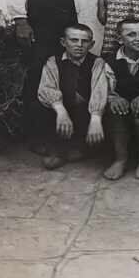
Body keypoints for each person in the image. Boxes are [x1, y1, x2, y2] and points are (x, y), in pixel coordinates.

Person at [7, 0, 79, 155]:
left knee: (65, 66)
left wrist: (74, 17)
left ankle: (65, 132)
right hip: (39, 7)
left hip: (64, 5)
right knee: (39, 69)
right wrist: (20, 20)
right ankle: (38, 134)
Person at [35, 24, 111, 170]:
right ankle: (56, 149)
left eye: (85, 41)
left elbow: (99, 92)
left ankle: (82, 147)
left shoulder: (97, 63)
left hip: (85, 114)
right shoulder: (53, 61)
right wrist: (60, 111)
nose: (79, 45)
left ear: (92, 44)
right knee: (42, 106)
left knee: (93, 112)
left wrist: (96, 118)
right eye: (74, 40)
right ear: (63, 42)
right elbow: (46, 89)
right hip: (60, 113)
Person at [103, 18, 139, 180]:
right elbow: (104, 87)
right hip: (122, 105)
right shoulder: (109, 61)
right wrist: (113, 98)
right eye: (132, 35)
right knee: (117, 112)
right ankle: (120, 159)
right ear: (120, 39)